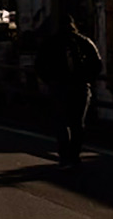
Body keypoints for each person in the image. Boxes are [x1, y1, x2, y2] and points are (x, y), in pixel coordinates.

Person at [35, 14, 102, 168]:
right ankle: (75, 154)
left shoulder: (51, 42)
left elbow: (39, 65)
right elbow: (97, 63)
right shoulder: (83, 41)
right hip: (80, 86)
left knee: (61, 122)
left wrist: (49, 80)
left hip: (59, 85)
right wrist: (88, 78)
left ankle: (65, 155)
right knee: (78, 123)